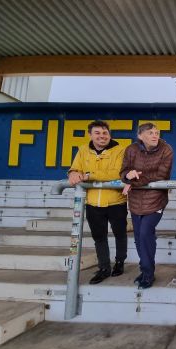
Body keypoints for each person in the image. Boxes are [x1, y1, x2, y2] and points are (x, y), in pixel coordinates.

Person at [68, 120, 128, 285]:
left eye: (105, 133)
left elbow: (116, 173)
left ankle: (120, 262)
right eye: (98, 133)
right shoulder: (82, 150)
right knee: (99, 237)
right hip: (93, 203)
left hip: (116, 201)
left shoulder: (120, 150)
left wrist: (88, 174)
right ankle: (103, 268)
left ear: (110, 135)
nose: (102, 136)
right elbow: (75, 169)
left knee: (120, 234)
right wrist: (72, 173)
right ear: (90, 135)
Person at [120, 123, 173, 289]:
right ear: (140, 136)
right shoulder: (131, 149)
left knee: (145, 233)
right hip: (135, 201)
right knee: (138, 237)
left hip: (156, 199)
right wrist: (128, 175)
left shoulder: (166, 149)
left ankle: (149, 273)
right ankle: (145, 269)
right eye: (150, 133)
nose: (155, 136)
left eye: (157, 133)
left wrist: (133, 181)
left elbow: (161, 175)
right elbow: (123, 171)